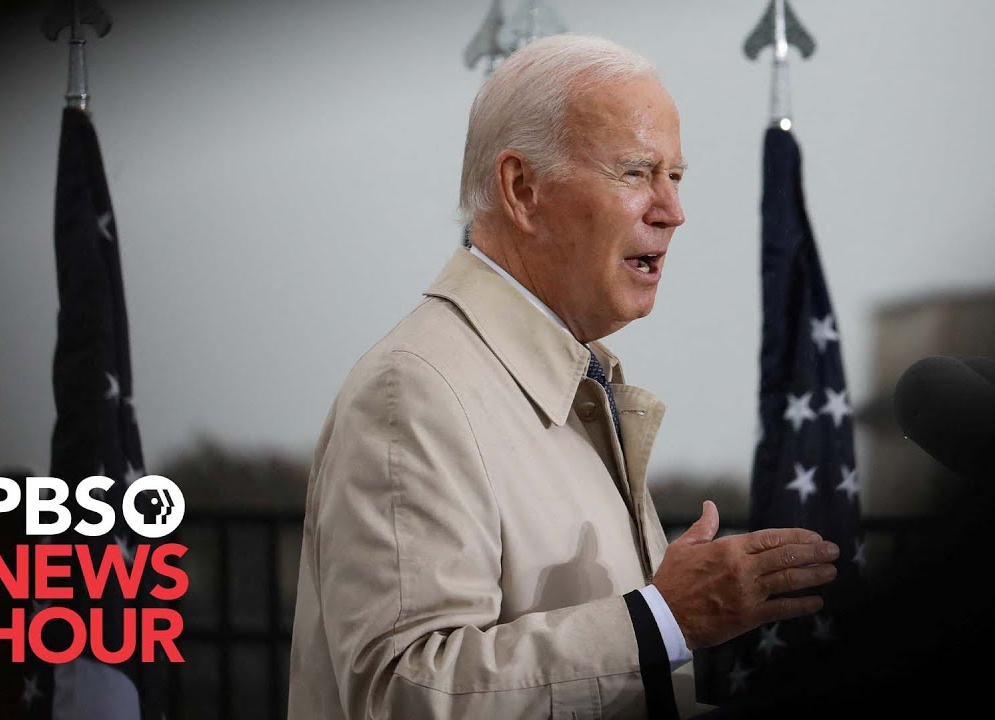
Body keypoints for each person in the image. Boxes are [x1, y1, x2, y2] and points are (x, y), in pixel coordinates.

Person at [286, 34, 840, 720]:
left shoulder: (576, 377)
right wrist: (660, 620)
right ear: (523, 189)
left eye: (677, 175)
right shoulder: (414, 391)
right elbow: (404, 693)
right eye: (637, 172)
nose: (672, 210)